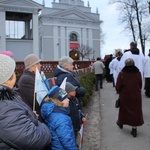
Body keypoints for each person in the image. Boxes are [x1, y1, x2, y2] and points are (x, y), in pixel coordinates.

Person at [0, 54, 51, 149]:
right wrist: (42, 125)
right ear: (9, 77)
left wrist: (29, 114)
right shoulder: (6, 108)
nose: (40, 65)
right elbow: (35, 139)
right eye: (13, 71)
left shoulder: (8, 95)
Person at [40, 85, 77, 150]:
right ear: (59, 102)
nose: (68, 100)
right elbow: (67, 141)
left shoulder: (51, 112)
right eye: (65, 98)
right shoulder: (61, 119)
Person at [116, 58, 144, 137]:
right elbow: (140, 85)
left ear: (125, 64)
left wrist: (119, 91)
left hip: (125, 95)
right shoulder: (138, 73)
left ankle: (120, 122)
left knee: (123, 110)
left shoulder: (122, 74)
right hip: (136, 95)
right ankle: (134, 129)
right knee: (135, 111)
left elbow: (118, 87)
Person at [17, 54, 42, 118]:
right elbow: (36, 101)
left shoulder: (31, 77)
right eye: (38, 63)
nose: (40, 65)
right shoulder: (26, 79)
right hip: (34, 115)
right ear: (32, 66)